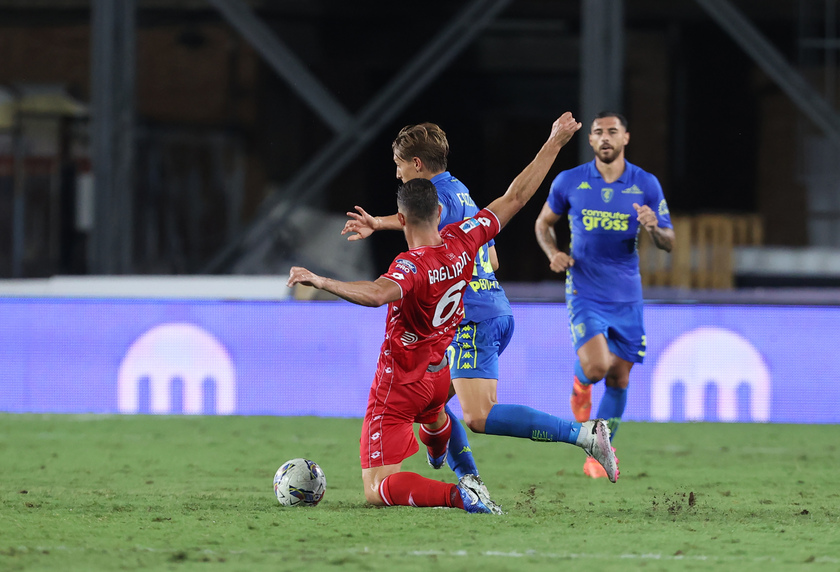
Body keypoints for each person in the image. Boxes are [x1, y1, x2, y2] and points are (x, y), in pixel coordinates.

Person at [289, 112, 617, 515]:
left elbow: (378, 293)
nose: (397, 174)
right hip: (461, 332)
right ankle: (464, 473)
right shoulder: (462, 222)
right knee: (436, 408)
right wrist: (553, 142)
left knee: (472, 419)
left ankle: (578, 437)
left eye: (399, 167)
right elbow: (509, 211)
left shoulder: (414, 259)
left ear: (418, 171)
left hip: (448, 340)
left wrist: (322, 280)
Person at [534, 111, 675, 479]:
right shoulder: (570, 182)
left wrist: (654, 229)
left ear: (626, 137)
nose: (606, 137)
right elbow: (543, 224)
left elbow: (669, 241)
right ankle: (581, 385)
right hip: (585, 289)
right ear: (591, 141)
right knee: (597, 367)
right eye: (598, 132)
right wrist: (554, 254)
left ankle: (600, 450)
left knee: (619, 378)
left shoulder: (646, 184)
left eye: (613, 131)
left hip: (627, 295)